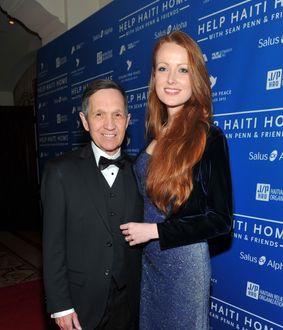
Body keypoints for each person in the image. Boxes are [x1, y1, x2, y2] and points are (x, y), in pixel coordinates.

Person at [120, 31, 233, 329]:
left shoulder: (208, 137)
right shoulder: (155, 136)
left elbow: (221, 219)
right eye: (163, 68)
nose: (171, 79)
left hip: (183, 266)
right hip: (151, 262)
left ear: (195, 77)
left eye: (182, 69)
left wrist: (156, 232)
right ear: (153, 77)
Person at [41, 79, 143, 330]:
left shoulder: (141, 172)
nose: (110, 124)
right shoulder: (60, 172)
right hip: (80, 303)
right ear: (85, 121)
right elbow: (53, 246)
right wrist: (61, 305)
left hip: (130, 302)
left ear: (128, 120)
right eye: (99, 115)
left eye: (117, 115)